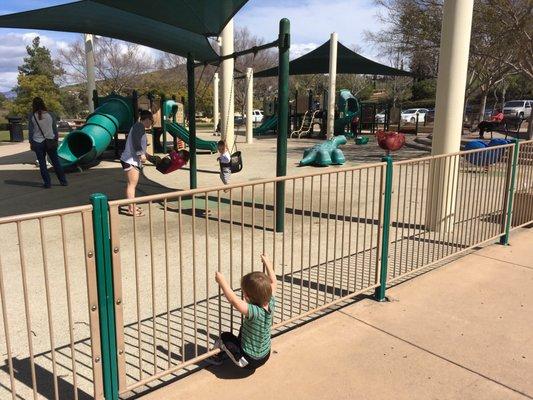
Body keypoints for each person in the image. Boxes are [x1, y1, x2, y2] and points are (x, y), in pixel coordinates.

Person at [208, 254, 276, 369]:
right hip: (265, 355)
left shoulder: (253, 311)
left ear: (247, 296)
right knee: (243, 328)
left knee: (225, 337)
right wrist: (267, 262)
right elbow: (274, 281)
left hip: (249, 360)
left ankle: (214, 356)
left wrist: (221, 281)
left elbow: (233, 300)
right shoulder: (271, 301)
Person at [28, 97, 68, 188]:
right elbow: (55, 129)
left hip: (38, 142)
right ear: (43, 103)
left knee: (42, 164)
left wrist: (31, 142)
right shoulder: (51, 114)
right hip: (50, 140)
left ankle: (47, 183)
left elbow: (31, 131)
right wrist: (56, 140)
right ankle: (63, 181)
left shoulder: (32, 116)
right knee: (56, 162)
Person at [120, 110, 153, 216]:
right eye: (151, 121)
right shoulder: (139, 126)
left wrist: (147, 155)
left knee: (131, 185)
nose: (150, 124)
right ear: (147, 119)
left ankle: (132, 205)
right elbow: (136, 141)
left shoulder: (138, 126)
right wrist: (140, 154)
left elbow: (139, 144)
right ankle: (131, 209)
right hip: (131, 160)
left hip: (131, 160)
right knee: (132, 185)